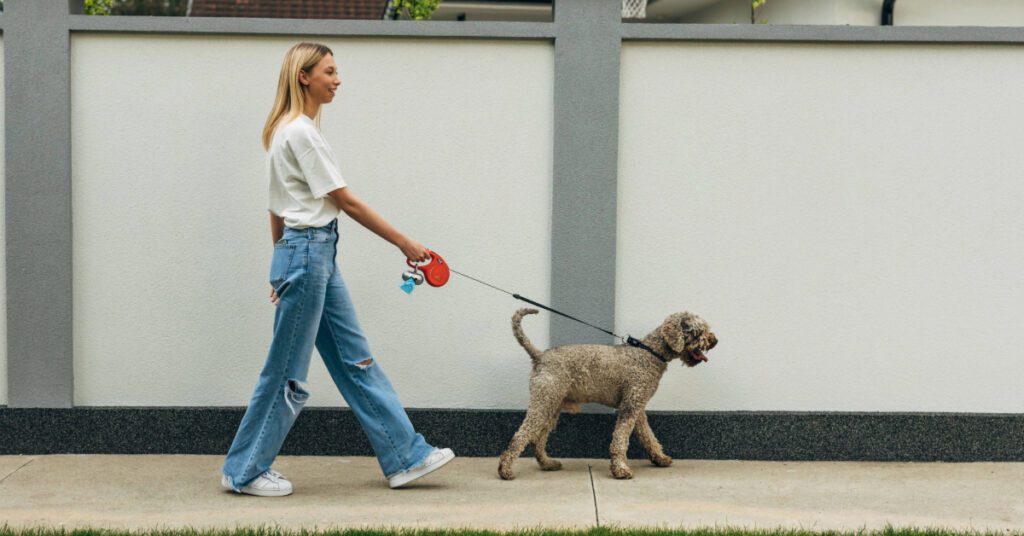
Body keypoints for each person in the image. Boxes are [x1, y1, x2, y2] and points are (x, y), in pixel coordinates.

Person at [221, 42, 455, 497]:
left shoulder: (288, 131)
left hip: (310, 255)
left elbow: (276, 209)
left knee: (355, 360)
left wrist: (279, 266)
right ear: (304, 76)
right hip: (309, 254)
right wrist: (406, 243)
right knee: (286, 371)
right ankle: (243, 470)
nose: (337, 79)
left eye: (336, 71)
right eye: (329, 71)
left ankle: (405, 456)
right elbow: (345, 202)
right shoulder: (300, 133)